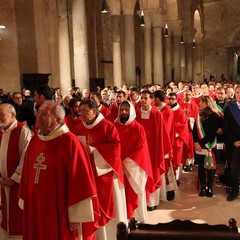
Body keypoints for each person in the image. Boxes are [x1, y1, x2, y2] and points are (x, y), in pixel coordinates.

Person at [18, 101, 100, 240]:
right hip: (35, 206)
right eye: (38, 112)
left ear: (57, 119)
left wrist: (76, 215)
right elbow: (26, 173)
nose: (38, 116)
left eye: (44, 114)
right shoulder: (35, 140)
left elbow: (80, 181)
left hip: (58, 210)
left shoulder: (70, 143)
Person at [74, 99, 127, 240]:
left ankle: (110, 236)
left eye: (86, 110)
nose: (82, 113)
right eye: (81, 110)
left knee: (106, 204)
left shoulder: (107, 126)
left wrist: (95, 150)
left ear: (95, 111)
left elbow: (115, 149)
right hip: (87, 172)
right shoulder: (79, 127)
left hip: (105, 173)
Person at [114, 100, 154, 222]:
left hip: (133, 168)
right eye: (122, 110)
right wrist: (116, 161)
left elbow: (141, 150)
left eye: (126, 110)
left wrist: (126, 163)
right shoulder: (114, 126)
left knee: (134, 193)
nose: (124, 112)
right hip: (118, 167)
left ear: (131, 111)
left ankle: (137, 219)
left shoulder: (138, 128)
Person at [0, 103, 32, 239]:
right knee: (6, 213)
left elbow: (27, 157)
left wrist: (13, 178)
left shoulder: (23, 131)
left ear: (12, 115)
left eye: (2, 114)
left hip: (17, 183)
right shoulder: (1, 130)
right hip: (3, 181)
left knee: (18, 216)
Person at [136, 90, 172, 209]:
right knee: (142, 175)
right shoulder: (136, 114)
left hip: (153, 151)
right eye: (141, 98)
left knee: (153, 173)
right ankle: (142, 202)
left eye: (145, 98)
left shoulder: (157, 114)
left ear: (151, 100)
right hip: (140, 151)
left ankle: (152, 202)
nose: (143, 100)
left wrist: (162, 151)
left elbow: (162, 134)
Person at [193, 96, 221, 197]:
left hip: (210, 145)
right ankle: (203, 188)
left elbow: (212, 133)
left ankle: (210, 187)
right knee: (201, 168)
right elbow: (195, 131)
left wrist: (200, 143)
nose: (199, 104)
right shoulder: (198, 115)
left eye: (201, 102)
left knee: (211, 168)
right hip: (199, 146)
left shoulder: (214, 116)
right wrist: (196, 143)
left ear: (207, 103)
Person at [224, 86, 240, 201]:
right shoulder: (229, 109)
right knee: (233, 169)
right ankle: (234, 192)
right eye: (238, 93)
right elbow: (226, 128)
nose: (239, 95)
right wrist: (234, 141)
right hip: (234, 144)